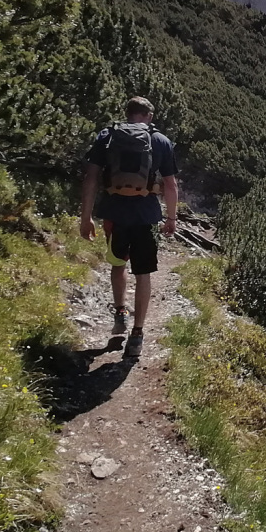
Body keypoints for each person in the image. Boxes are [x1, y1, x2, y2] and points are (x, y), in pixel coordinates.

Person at [79, 97, 179, 358]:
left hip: (114, 213)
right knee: (143, 273)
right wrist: (171, 218)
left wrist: (86, 217)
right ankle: (137, 334)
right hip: (146, 215)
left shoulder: (107, 136)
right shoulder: (160, 141)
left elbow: (90, 178)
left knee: (118, 263)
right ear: (148, 115)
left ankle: (120, 312)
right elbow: (170, 185)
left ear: (128, 114)